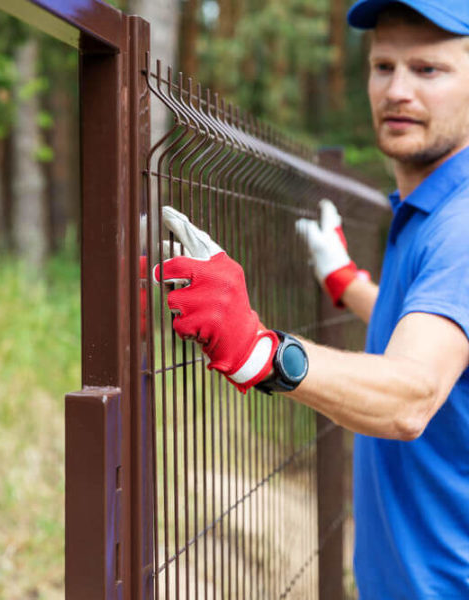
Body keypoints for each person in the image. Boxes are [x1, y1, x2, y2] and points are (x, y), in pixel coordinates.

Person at [153, 1, 469, 597]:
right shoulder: (426, 208)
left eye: (429, 70)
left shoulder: (460, 225)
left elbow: (414, 395)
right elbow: (438, 333)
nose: (398, 90)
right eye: (384, 66)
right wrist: (348, 284)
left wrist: (262, 351)